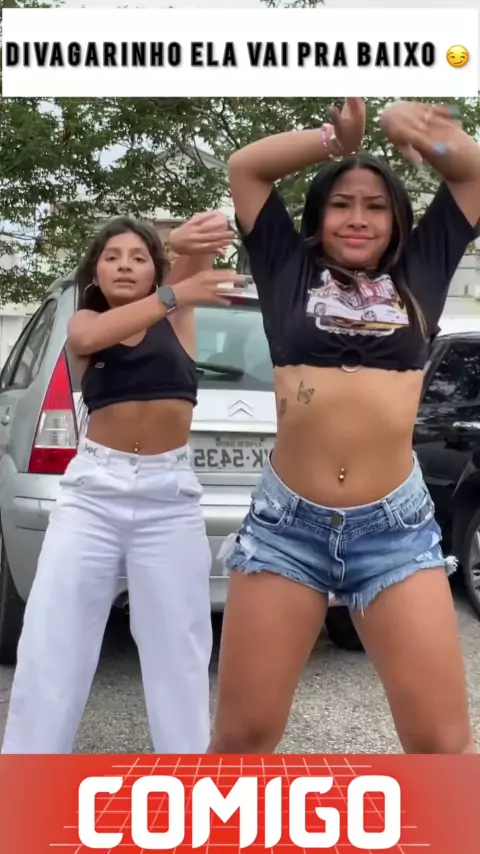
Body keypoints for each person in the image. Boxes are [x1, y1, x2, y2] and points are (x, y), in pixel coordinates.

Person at [209, 98, 480, 755]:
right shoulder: (286, 267)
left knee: (442, 747)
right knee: (243, 738)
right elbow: (246, 168)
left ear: (397, 220)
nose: (358, 217)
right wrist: (333, 139)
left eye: (376, 206)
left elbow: (472, 175)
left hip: (395, 532)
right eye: (341, 203)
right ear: (318, 216)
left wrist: (427, 137)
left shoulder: (422, 269)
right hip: (287, 530)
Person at [2, 211, 243, 754]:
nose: (125, 265)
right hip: (94, 495)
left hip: (169, 498)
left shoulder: (176, 316)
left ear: (155, 268)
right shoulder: (86, 324)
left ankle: (189, 782)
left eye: (138, 257)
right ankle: (28, 778)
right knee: (53, 639)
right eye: (112, 257)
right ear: (95, 273)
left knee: (178, 649)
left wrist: (186, 243)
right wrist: (171, 279)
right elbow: (98, 330)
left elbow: (197, 254)